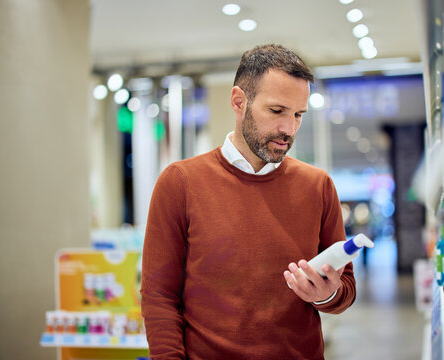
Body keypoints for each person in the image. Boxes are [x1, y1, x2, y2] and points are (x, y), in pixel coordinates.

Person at [141, 44, 356, 359]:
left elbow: (345, 287)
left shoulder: (318, 186)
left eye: (298, 114)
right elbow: (159, 296)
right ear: (238, 101)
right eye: (277, 111)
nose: (289, 129)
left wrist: (327, 294)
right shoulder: (180, 183)